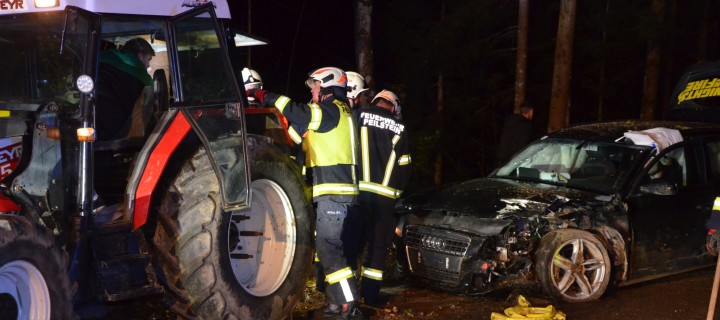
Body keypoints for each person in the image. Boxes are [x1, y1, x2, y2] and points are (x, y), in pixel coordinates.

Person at [246, 67, 363, 319]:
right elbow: (298, 134)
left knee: (328, 247)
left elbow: (296, 111)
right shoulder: (339, 113)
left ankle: (350, 304)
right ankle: (335, 305)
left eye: (315, 86)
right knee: (331, 247)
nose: (312, 90)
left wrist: (263, 95)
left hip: (335, 190)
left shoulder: (331, 110)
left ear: (328, 87)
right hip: (335, 190)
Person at [355, 90, 412, 307]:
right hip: (384, 199)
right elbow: (405, 166)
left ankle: (345, 294)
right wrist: (397, 193)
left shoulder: (358, 117)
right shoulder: (401, 128)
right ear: (394, 107)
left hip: (356, 194)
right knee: (377, 246)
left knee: (351, 242)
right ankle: (369, 295)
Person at [95, 37, 155, 141]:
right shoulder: (141, 75)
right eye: (148, 59)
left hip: (90, 113)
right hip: (114, 125)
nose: (148, 65)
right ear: (140, 56)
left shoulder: (103, 57)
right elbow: (151, 98)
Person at [496, 102, 535, 166]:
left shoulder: (510, 122)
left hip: (501, 158)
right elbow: (524, 144)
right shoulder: (526, 125)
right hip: (514, 160)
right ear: (530, 111)